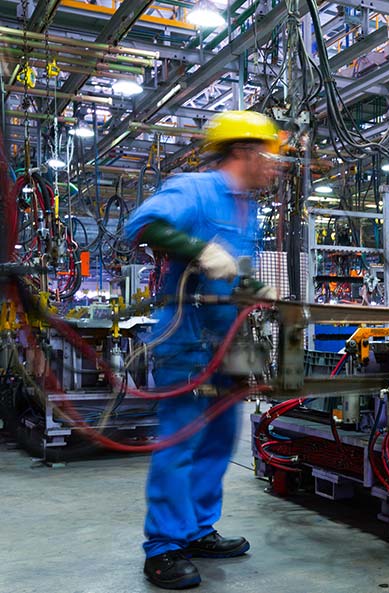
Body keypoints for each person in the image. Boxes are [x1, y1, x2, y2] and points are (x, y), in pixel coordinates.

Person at [123, 110, 281, 589]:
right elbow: (142, 224)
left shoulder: (245, 206)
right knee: (181, 443)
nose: (274, 166)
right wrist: (200, 250)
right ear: (244, 151)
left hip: (227, 343)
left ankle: (196, 530)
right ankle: (163, 547)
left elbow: (232, 269)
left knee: (218, 441)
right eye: (269, 155)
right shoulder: (196, 188)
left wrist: (254, 286)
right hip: (186, 341)